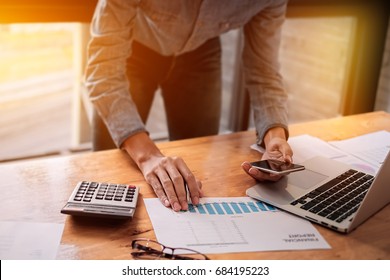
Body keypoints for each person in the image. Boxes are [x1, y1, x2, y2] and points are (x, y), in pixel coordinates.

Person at [85, 0, 293, 212]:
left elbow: (265, 72)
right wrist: (148, 156)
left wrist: (274, 136)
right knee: (108, 174)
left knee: (192, 175)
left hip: (200, 51)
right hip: (132, 49)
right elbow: (103, 73)